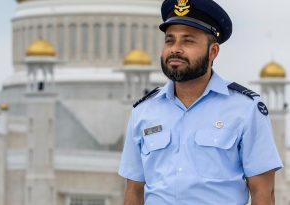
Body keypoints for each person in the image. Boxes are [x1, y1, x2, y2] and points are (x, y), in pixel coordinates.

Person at [118, 0, 283, 204]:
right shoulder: (143, 111)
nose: (175, 49)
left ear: (213, 52)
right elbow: (134, 191)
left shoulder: (246, 109)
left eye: (188, 41)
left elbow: (263, 192)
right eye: (170, 41)